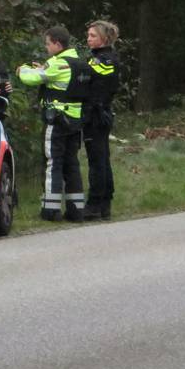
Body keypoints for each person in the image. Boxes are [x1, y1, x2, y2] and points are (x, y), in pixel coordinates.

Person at [17, 26, 87, 222]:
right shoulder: (79, 63)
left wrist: (23, 70)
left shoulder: (58, 63)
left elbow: (32, 79)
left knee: (53, 162)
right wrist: (43, 68)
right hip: (75, 120)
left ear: (57, 43)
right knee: (72, 163)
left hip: (57, 120)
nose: (46, 48)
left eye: (48, 44)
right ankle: (76, 210)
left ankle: (51, 210)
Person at [82, 20, 120, 221]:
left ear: (104, 38)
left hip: (97, 115)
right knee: (102, 159)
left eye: (93, 36)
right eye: (88, 35)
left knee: (97, 161)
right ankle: (104, 203)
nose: (89, 39)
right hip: (100, 113)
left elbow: (85, 74)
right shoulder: (101, 58)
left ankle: (95, 204)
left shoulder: (104, 60)